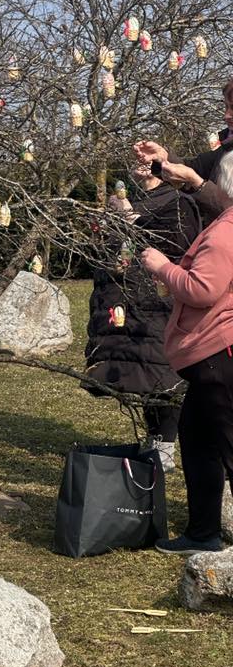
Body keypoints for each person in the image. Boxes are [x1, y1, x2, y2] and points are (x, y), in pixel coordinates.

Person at [141, 148, 233, 555]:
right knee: (198, 441)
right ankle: (202, 533)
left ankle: (205, 534)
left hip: (219, 353)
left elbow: (203, 289)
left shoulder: (225, 231)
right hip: (211, 357)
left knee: (226, 444)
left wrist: (163, 266)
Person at [85, 165, 200, 470]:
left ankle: (165, 445)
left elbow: (178, 246)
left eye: (149, 160)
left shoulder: (178, 201)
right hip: (125, 302)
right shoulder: (133, 200)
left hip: (157, 300)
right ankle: (154, 438)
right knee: (142, 374)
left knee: (162, 373)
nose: (139, 163)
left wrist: (131, 220)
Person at [133, 78, 233, 223]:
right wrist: (163, 157)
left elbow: (229, 208)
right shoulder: (225, 149)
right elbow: (194, 167)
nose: (227, 115)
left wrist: (197, 183)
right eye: (226, 107)